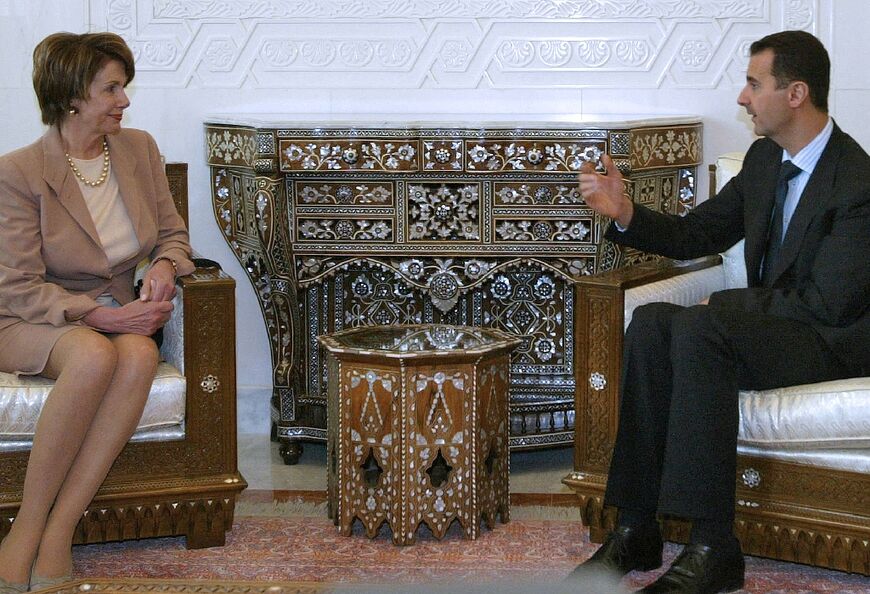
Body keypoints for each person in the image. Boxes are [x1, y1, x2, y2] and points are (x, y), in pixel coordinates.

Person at [569, 30, 870, 594]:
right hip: (771, 330)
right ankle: (636, 526)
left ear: (796, 93)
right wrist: (627, 210)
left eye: (754, 84)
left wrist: (724, 305)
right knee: (655, 323)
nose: (742, 97)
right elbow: (696, 233)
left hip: (830, 342)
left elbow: (828, 303)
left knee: (706, 326)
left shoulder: (857, 181)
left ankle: (713, 546)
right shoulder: (763, 160)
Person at [0, 32, 194, 591]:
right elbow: (16, 285)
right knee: (91, 357)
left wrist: (162, 267)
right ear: (72, 96)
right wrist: (97, 316)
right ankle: (25, 530)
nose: (124, 100)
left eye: (123, 87)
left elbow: (174, 236)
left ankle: (60, 530)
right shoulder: (19, 173)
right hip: (33, 317)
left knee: (135, 359)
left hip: (118, 310)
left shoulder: (139, 150)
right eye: (111, 88)